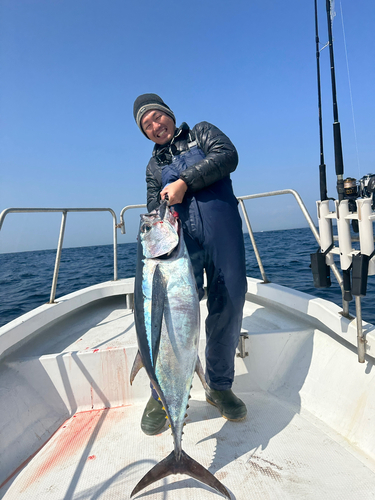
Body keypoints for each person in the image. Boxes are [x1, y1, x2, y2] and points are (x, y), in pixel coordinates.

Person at [133, 93, 248, 435]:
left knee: (229, 302)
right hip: (182, 245)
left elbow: (228, 156)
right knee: (167, 314)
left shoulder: (201, 132)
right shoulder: (153, 167)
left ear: (169, 115)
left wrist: (184, 182)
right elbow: (155, 209)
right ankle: (162, 390)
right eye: (146, 125)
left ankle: (219, 385)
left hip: (222, 233)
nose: (155, 126)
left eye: (157, 117)